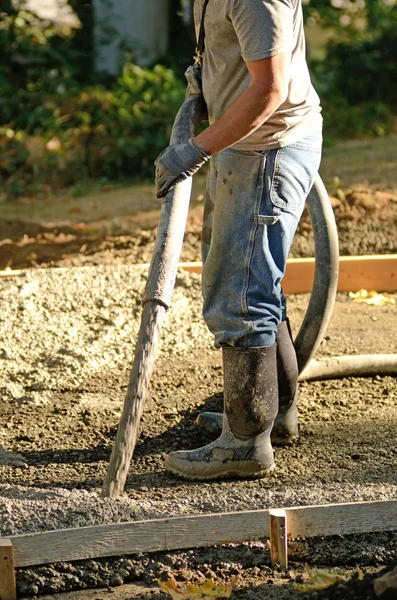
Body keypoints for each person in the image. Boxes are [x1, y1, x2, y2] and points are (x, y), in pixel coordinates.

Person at [155, 0, 323, 480]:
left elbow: (269, 89)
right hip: (244, 143)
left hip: (266, 149)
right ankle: (275, 412)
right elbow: (235, 52)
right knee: (252, 277)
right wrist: (201, 85)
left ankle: (245, 442)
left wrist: (195, 149)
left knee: (243, 294)